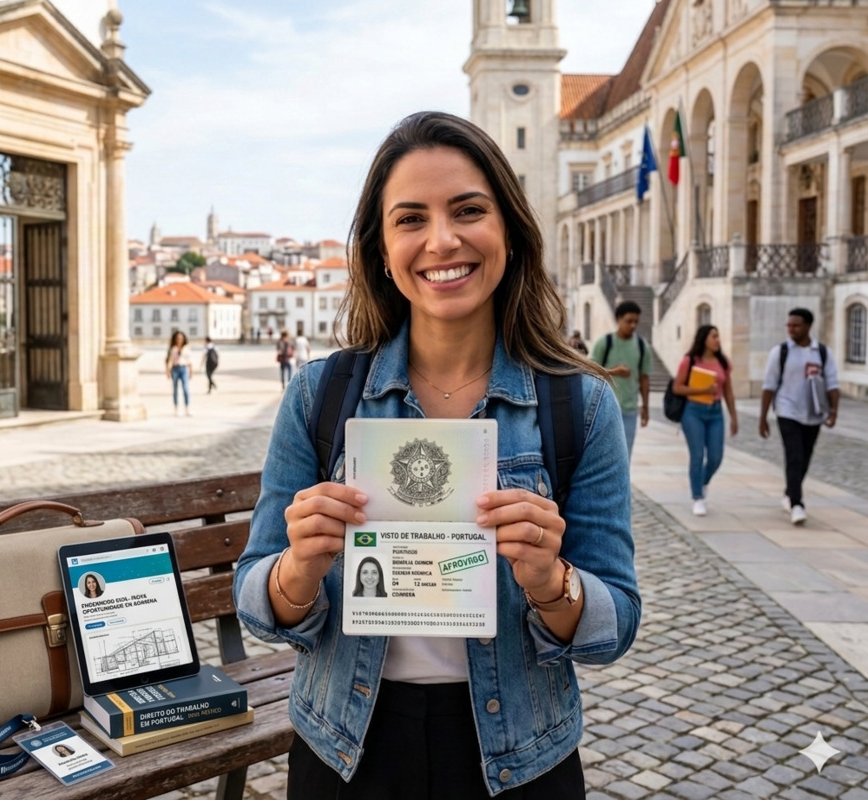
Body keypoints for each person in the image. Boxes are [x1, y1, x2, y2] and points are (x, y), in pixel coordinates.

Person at [233, 111, 639, 799]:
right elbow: (256, 602)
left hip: (520, 757)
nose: (442, 240)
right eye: (410, 218)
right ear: (382, 249)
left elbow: (614, 622)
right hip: (344, 748)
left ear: (508, 228)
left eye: (468, 210)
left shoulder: (581, 406)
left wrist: (552, 581)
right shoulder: (319, 395)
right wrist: (298, 568)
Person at [758, 308, 840, 525]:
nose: (791, 329)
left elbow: (832, 383)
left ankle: (789, 492)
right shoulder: (781, 352)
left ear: (808, 327)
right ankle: (797, 504)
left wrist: (833, 412)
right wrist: (763, 417)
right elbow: (769, 385)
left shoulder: (822, 352)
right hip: (787, 410)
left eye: (796, 325)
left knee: (804, 457)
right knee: (793, 455)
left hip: (813, 412)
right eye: (789, 325)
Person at [670, 325, 739, 516]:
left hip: (716, 412)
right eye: (714, 336)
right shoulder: (690, 360)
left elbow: (729, 392)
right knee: (697, 455)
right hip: (693, 411)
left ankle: (702, 481)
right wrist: (702, 390)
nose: (717, 340)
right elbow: (677, 388)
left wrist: (733, 416)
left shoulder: (723, 362)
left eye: (718, 336)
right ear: (704, 339)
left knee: (716, 456)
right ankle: (698, 497)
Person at [589, 301, 653, 457]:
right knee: (604, 455)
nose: (633, 325)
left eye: (636, 322)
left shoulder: (641, 345)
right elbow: (589, 372)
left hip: (629, 410)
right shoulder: (604, 343)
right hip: (605, 409)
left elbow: (644, 377)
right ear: (618, 319)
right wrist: (613, 371)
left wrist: (645, 406)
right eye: (629, 321)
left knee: (625, 456)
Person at [166, 330, 193, 416]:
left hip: (183, 369)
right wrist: (168, 371)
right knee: (175, 389)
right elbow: (170, 360)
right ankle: (176, 409)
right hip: (175, 369)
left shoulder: (186, 348)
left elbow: (190, 361)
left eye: (181, 338)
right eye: (178, 338)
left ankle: (187, 408)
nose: (179, 340)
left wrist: (191, 371)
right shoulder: (173, 348)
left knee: (185, 388)